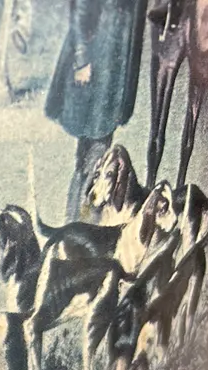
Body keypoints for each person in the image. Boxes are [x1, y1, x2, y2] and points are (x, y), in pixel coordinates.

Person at [44, 0, 150, 221]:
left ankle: (73, 223)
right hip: (96, 70)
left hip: (113, 71)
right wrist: (82, 59)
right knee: (93, 157)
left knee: (90, 156)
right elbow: (81, 11)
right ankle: (81, 225)